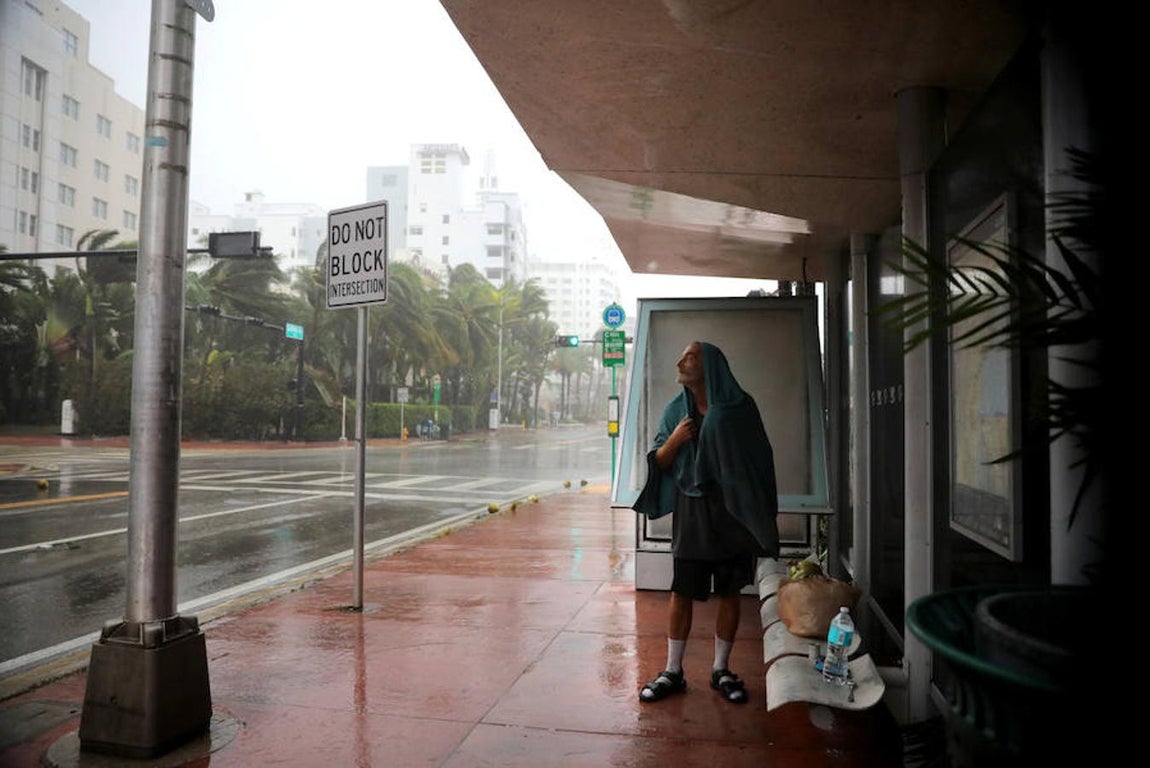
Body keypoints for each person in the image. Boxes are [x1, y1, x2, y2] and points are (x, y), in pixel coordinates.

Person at [632, 340, 779, 704]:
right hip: (692, 512)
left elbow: (759, 458)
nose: (681, 362)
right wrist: (679, 440)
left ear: (711, 365)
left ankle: (720, 669)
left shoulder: (740, 408)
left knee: (730, 591)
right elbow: (660, 461)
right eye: (682, 356)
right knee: (682, 591)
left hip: (733, 511)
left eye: (691, 357)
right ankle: (673, 671)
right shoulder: (674, 411)